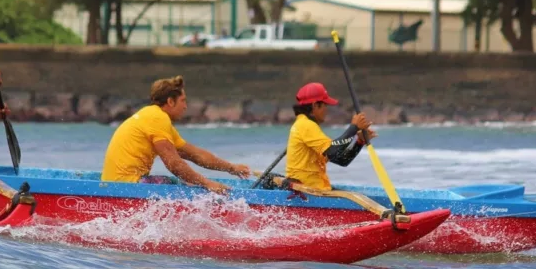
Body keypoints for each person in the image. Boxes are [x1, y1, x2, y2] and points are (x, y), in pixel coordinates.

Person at [100, 75, 251, 194]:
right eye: (183, 101)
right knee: (182, 185)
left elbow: (195, 155)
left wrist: (232, 168)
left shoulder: (154, 117)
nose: (185, 106)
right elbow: (174, 164)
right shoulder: (157, 118)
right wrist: (207, 183)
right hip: (124, 188)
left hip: (119, 184)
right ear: (171, 101)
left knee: (187, 182)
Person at [285, 82, 376, 191]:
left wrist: (359, 142)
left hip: (312, 190)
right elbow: (332, 151)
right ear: (315, 105)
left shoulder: (306, 126)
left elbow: (341, 159)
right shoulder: (306, 125)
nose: (326, 109)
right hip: (305, 192)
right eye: (325, 105)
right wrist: (353, 128)